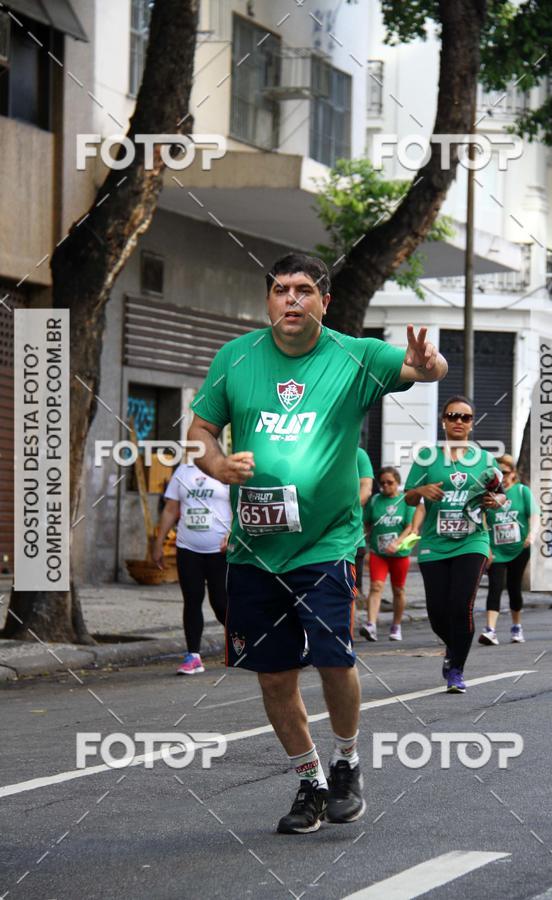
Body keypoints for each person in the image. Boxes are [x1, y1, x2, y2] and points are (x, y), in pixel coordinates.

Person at [187, 252, 447, 834]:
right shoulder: (237, 357)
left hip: (327, 543)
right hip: (253, 550)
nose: (292, 299)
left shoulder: (355, 356)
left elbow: (423, 369)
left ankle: (348, 761)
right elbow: (199, 430)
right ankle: (310, 782)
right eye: (281, 290)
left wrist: (429, 362)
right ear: (269, 300)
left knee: (334, 658)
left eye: (305, 289)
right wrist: (219, 465)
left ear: (324, 301)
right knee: (275, 677)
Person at [404, 396, 505, 694]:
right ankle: (454, 645)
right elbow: (408, 498)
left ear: (472, 423)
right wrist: (421, 489)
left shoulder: (486, 460)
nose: (459, 421)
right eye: (453, 416)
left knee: (461, 606)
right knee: (437, 612)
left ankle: (456, 668)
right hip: (434, 544)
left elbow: (501, 497)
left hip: (472, 541)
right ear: (443, 421)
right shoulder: (427, 457)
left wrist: (494, 500)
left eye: (465, 417)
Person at [152, 459, 231, 674]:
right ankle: (193, 656)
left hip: (220, 550)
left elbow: (238, 505)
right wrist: (158, 542)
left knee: (221, 603)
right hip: (188, 548)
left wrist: (234, 534)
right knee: (192, 599)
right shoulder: (183, 471)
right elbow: (171, 509)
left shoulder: (224, 468)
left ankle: (241, 642)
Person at [478, 454, 539, 646]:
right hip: (496, 550)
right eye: (496, 473)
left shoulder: (522, 492)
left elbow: (535, 515)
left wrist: (532, 534)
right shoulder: (488, 495)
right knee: (495, 587)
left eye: (504, 472)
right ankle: (490, 629)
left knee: (514, 587)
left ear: (513, 473)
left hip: (519, 548)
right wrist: (485, 545)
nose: (500, 476)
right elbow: (482, 518)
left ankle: (516, 626)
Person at [360, 466, 416, 642]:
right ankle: (371, 625)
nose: (385, 486)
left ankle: (396, 625)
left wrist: (397, 542)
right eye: (382, 483)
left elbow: (410, 526)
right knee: (375, 587)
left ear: (398, 483)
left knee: (398, 590)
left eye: (390, 482)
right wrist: (362, 539)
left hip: (400, 554)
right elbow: (367, 523)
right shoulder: (375, 501)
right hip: (379, 553)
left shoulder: (406, 501)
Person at [355, 447, 374, 602]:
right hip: (314, 542)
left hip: (351, 542)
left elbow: (365, 491)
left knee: (350, 594)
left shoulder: (359, 454)